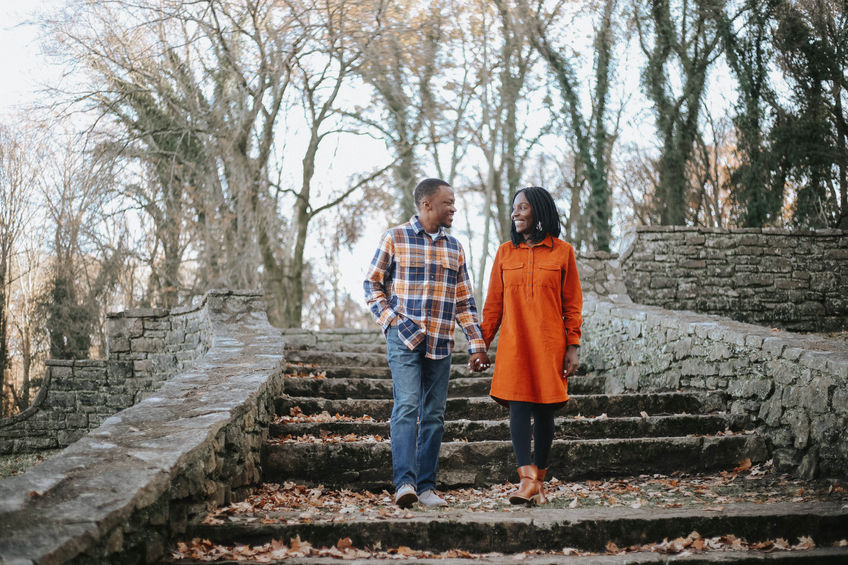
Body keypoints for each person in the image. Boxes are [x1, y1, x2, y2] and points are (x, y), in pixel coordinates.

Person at [364, 178, 491, 508]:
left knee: (433, 415)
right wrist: (391, 321)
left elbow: (465, 300)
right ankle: (404, 483)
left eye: (454, 202)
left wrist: (476, 342)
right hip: (404, 338)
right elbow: (372, 284)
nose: (454, 208)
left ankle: (426, 487)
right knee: (407, 406)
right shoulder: (395, 238)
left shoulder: (455, 247)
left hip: (441, 342)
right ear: (427, 205)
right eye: (448, 202)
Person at [480, 186, 583, 505]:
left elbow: (572, 303)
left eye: (522, 207)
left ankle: (538, 479)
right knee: (518, 406)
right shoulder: (504, 253)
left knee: (545, 410)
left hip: (550, 343)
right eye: (514, 208)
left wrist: (573, 345)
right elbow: (493, 304)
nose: (516, 213)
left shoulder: (563, 252)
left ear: (539, 210)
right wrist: (480, 343)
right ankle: (527, 479)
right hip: (514, 345)